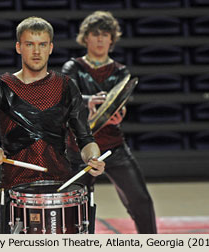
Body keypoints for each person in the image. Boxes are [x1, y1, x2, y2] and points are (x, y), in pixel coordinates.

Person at [0, 17, 105, 234]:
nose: (36, 51)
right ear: (18, 47)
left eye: (42, 44)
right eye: (29, 44)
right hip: (16, 192)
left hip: (60, 190)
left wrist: (93, 158)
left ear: (50, 48)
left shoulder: (66, 87)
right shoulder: (1, 88)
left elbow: (86, 139)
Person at [62, 11, 157, 233]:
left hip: (113, 147)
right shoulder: (72, 68)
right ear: (85, 38)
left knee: (141, 202)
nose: (100, 39)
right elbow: (67, 98)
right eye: (95, 34)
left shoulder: (120, 71)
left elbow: (120, 105)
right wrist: (88, 101)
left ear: (112, 39)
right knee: (75, 210)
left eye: (105, 34)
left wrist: (119, 114)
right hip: (79, 149)